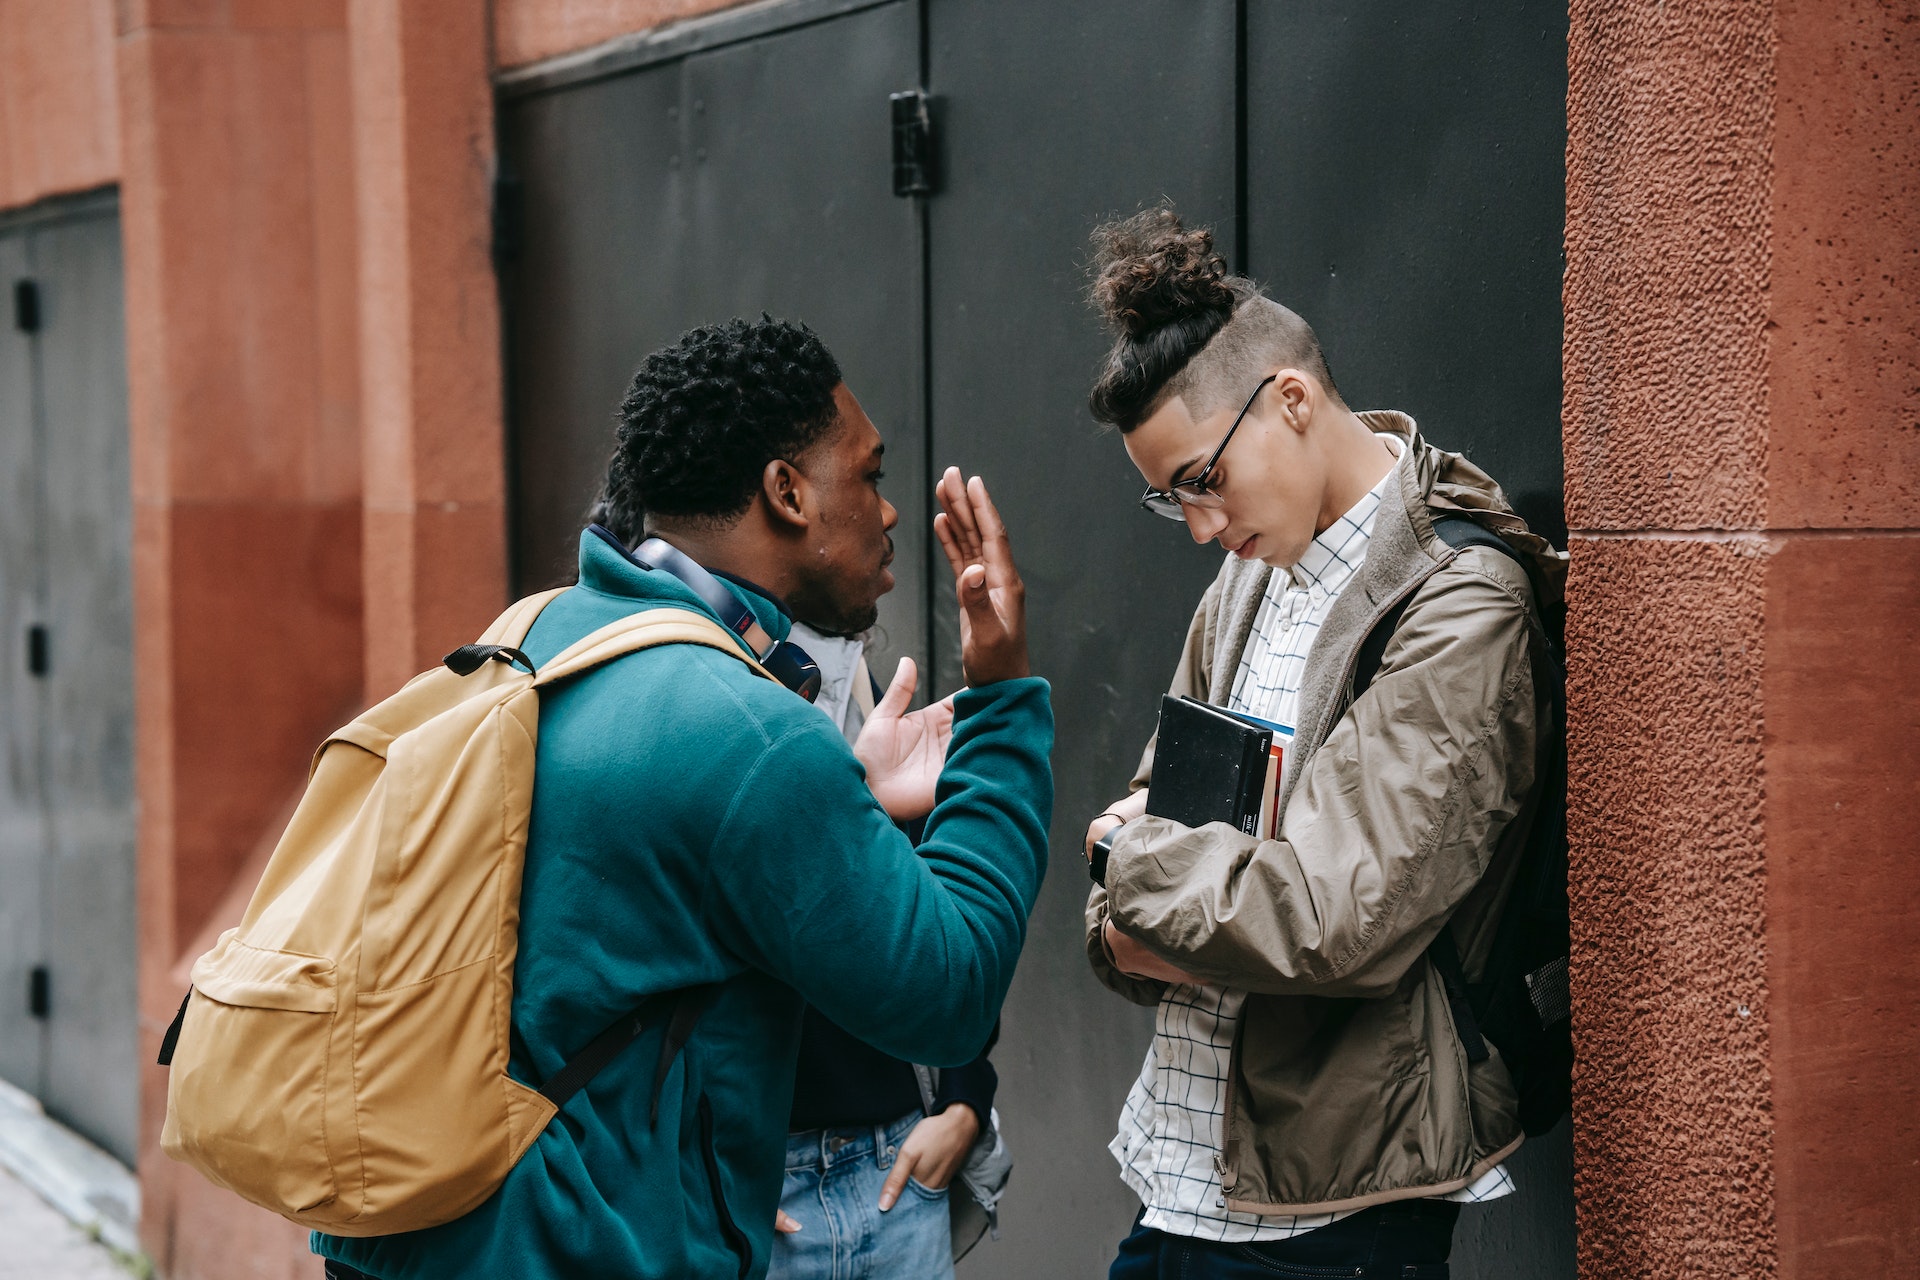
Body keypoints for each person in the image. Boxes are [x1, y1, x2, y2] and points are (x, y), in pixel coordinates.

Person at [314, 316, 1052, 1280]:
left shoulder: (543, 631)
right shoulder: (749, 732)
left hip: (427, 1232)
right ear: (787, 493)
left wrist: (850, 794)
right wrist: (1001, 704)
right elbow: (948, 991)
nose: (888, 512)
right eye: (868, 475)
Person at [1079, 208, 1565, 1279]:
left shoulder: (1458, 603)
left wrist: (1121, 860)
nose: (1199, 524)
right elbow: (1154, 853)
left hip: (1333, 1211)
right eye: (1170, 500)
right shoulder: (1250, 576)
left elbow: (1333, 916)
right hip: (1178, 1167)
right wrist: (1138, 887)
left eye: (1202, 479)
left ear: (1290, 400)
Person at [588, 485, 1010, 1279]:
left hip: (896, 1162)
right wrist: (703, 1170)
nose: (884, 514)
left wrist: (963, 1099)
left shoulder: (849, 677)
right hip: (752, 1188)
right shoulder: (657, 708)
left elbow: (933, 915)